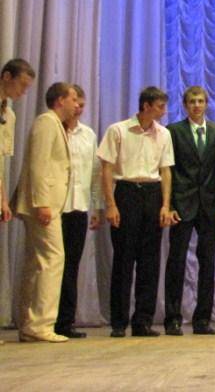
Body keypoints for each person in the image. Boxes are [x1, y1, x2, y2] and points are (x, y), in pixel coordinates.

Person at [97, 86, 176, 337]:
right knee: (124, 259)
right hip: (126, 191)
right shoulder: (118, 130)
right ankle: (119, 322)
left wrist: (165, 205)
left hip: (152, 193)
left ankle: (143, 320)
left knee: (149, 262)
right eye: (160, 106)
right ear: (146, 106)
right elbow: (107, 169)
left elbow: (165, 171)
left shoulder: (164, 134)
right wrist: (111, 204)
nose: (163, 111)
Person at [14, 82, 78, 342]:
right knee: (53, 258)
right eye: (73, 99)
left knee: (37, 262)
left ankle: (30, 324)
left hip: (49, 203)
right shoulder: (46, 122)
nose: (77, 104)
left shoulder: (56, 124)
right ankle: (40, 324)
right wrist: (42, 202)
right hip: (43, 204)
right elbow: (38, 165)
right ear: (60, 100)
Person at [164, 86, 215, 336]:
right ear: (185, 105)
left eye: (200, 101)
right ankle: (173, 318)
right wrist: (169, 205)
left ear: (207, 104)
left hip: (209, 205)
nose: (197, 105)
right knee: (176, 261)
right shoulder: (174, 131)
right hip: (182, 204)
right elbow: (169, 169)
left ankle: (203, 319)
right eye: (192, 101)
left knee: (208, 262)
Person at [55, 84, 104, 339]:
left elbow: (95, 174)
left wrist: (96, 207)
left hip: (79, 206)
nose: (78, 109)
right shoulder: (54, 130)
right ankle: (46, 318)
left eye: (82, 105)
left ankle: (65, 321)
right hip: (56, 206)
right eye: (75, 103)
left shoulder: (88, 135)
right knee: (53, 265)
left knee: (72, 265)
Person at [0, 58, 36, 225]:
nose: (23, 92)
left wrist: (3, 200)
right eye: (22, 85)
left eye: (27, 88)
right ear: (7, 76)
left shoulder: (9, 115)